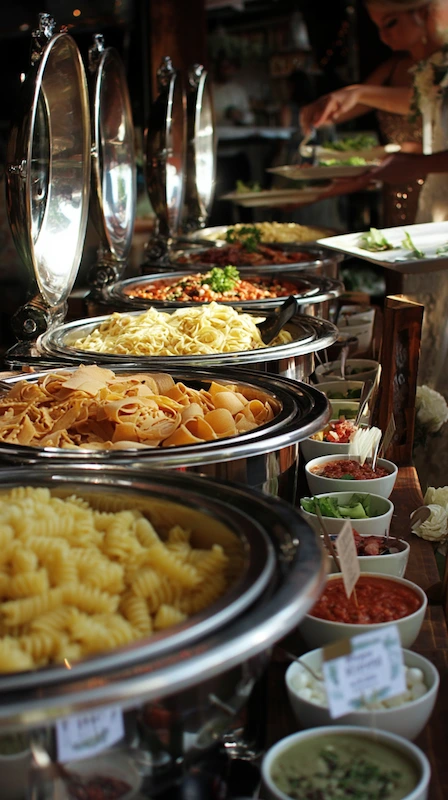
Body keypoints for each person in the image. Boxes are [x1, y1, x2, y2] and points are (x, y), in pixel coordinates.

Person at [300, 0, 448, 226]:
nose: (384, 37)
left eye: (390, 24)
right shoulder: (426, 69)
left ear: (424, 13)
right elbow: (420, 102)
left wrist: (417, 164)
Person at [208, 54, 254, 226]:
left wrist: (240, 116)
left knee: (244, 199)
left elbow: (249, 117)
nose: (225, 71)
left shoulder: (238, 91)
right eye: (222, 66)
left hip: (237, 152)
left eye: (229, 67)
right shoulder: (210, 90)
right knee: (220, 203)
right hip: (217, 154)